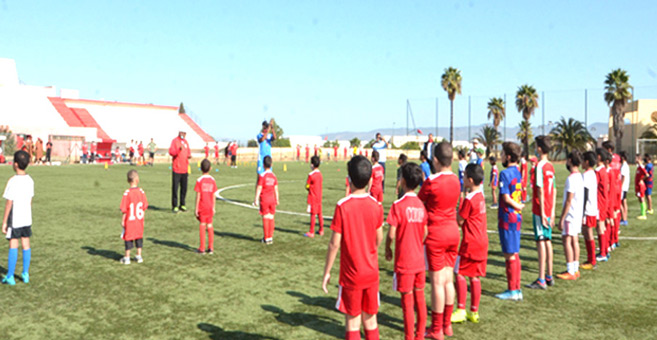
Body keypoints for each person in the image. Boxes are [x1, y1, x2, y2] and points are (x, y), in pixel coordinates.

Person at [322, 155, 384, 340]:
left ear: (348, 179)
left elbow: (334, 244)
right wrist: (368, 251)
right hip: (371, 272)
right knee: (371, 321)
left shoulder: (343, 206)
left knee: (352, 322)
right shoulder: (376, 206)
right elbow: (378, 238)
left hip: (352, 275)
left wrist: (327, 271)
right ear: (370, 179)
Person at [418, 142, 460, 339]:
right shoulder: (456, 180)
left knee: (436, 283)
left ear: (435, 159)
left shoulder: (432, 181)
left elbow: (419, 202)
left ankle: (436, 329)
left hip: (436, 234)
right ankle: (447, 325)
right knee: (448, 280)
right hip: (453, 232)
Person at [385, 162, 428, 340]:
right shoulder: (420, 205)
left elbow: (392, 233)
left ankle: (409, 336)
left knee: (407, 301)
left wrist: (388, 247)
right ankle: (420, 335)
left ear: (402, 181)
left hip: (404, 260)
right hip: (419, 260)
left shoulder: (398, 205)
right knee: (420, 298)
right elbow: (425, 231)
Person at [451, 163, 488, 325]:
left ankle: (460, 309)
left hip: (470, 241)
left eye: (464, 176)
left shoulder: (469, 199)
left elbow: (460, 220)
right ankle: (474, 311)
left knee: (459, 273)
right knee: (474, 276)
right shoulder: (480, 196)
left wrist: (452, 210)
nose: (462, 178)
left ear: (470, 180)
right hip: (482, 241)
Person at [495, 142, 525, 301]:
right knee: (515, 253)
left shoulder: (505, 174)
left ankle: (512, 290)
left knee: (509, 255)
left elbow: (506, 197)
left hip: (508, 217)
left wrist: (517, 205)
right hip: (517, 217)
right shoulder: (518, 172)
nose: (500, 156)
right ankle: (517, 288)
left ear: (508, 156)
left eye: (502, 153)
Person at [526, 136, 556, 290]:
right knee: (548, 240)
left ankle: (541, 278)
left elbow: (540, 190)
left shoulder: (539, 167)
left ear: (539, 148)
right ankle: (549, 275)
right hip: (549, 209)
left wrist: (543, 212)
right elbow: (554, 189)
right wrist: (552, 211)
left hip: (540, 209)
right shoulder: (550, 166)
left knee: (541, 241)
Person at [1, 151, 34, 285]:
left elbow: (9, 203)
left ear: (15, 164)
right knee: (26, 243)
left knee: (13, 243)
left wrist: (4, 222)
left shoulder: (13, 181)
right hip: (26, 217)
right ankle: (25, 274)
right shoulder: (30, 180)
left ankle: (10, 276)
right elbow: (30, 200)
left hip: (15, 218)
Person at [556, 151, 584, 280]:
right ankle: (575, 268)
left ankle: (570, 270)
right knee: (575, 240)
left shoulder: (571, 178)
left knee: (567, 240)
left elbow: (569, 200)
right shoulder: (580, 177)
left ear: (570, 160)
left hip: (571, 214)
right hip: (577, 213)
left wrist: (562, 218)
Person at [119, 170, 148, 265]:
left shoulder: (127, 193)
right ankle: (139, 255)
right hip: (139, 219)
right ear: (137, 180)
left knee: (128, 237)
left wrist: (123, 219)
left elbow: (124, 208)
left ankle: (127, 257)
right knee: (139, 236)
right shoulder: (141, 191)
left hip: (130, 220)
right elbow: (144, 206)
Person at [580, 151, 600, 270]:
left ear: (587, 162)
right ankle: (590, 259)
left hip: (588, 209)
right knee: (587, 233)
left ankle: (592, 260)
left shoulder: (586, 175)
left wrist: (582, 213)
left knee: (588, 233)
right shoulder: (592, 173)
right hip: (592, 207)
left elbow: (585, 194)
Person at [254, 156, 279, 245]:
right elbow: (276, 188)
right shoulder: (273, 176)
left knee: (265, 217)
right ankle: (270, 237)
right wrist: (277, 199)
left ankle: (266, 237)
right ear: (271, 164)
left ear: (263, 165)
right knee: (271, 217)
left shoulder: (262, 176)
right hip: (272, 199)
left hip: (264, 199)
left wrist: (256, 199)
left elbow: (259, 187)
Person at [195, 159, 217, 254]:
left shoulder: (199, 180)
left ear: (200, 168)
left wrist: (196, 208)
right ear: (210, 168)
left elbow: (198, 195)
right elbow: (214, 194)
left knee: (202, 225)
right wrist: (213, 207)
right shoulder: (212, 180)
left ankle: (202, 248)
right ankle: (211, 248)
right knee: (210, 225)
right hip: (209, 206)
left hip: (202, 206)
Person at [169, 130, 191, 213]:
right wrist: (178, 150)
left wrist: (189, 156)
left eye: (185, 133)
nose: (183, 135)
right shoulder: (175, 141)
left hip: (185, 169)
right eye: (182, 133)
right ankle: (174, 205)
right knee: (175, 188)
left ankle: (182, 204)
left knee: (184, 188)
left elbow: (188, 152)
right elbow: (171, 152)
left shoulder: (186, 142)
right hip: (177, 168)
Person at [594, 148, 611, 263]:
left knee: (600, 226)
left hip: (599, 202)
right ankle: (605, 249)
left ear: (599, 157)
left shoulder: (599, 171)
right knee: (602, 226)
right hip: (603, 202)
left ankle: (603, 253)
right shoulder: (603, 171)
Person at [305, 156, 324, 238]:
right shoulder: (320, 174)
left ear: (312, 164)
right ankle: (321, 230)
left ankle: (311, 232)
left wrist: (308, 188)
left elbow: (307, 186)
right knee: (319, 213)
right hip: (319, 196)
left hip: (312, 197)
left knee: (313, 214)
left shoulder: (311, 175)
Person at [635, 154, 648, 220]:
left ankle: (643, 214)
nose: (635, 159)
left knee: (642, 198)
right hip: (638, 185)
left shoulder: (642, 167)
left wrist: (641, 180)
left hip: (641, 186)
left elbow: (647, 175)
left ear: (639, 159)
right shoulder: (639, 167)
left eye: (636, 158)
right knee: (640, 198)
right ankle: (642, 213)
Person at [619, 152, 630, 225]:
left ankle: (624, 218)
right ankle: (624, 218)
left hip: (623, 187)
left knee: (619, 202)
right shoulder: (626, 165)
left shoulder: (624, 166)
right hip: (625, 187)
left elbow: (623, 177)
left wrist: (620, 185)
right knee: (624, 202)